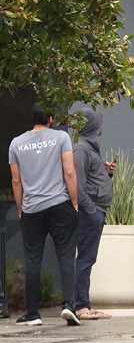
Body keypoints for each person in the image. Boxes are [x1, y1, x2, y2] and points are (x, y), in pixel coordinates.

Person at [9, 105, 81, 326]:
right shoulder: (61, 137)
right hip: (60, 204)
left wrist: (20, 208)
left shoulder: (16, 143)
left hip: (32, 209)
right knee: (67, 256)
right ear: (50, 119)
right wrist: (75, 202)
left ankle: (33, 314)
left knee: (32, 260)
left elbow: (16, 181)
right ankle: (70, 306)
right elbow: (69, 171)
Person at [71, 111, 115, 321]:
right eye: (99, 124)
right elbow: (78, 186)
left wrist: (107, 172)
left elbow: (91, 179)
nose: (102, 128)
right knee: (86, 258)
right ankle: (81, 307)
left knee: (88, 258)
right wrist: (91, 211)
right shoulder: (81, 149)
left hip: (96, 210)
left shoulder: (90, 149)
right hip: (92, 212)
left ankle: (83, 305)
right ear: (92, 127)